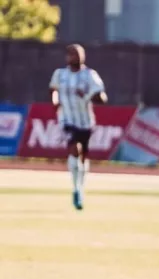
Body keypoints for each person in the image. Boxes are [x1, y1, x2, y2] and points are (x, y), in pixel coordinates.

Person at [49, 44, 107, 210]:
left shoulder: (90, 75)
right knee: (75, 149)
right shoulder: (60, 74)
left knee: (83, 158)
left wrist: (89, 96)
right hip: (67, 119)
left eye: (79, 54)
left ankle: (80, 188)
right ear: (67, 57)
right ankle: (75, 189)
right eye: (72, 54)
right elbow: (52, 89)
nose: (75, 57)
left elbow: (102, 97)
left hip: (86, 121)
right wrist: (55, 101)